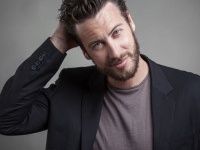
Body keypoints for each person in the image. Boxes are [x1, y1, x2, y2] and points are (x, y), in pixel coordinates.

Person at [0, 0, 200, 150]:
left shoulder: (192, 91)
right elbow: (6, 120)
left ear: (130, 22)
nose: (115, 53)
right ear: (86, 52)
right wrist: (59, 41)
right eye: (97, 44)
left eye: (116, 33)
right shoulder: (68, 89)